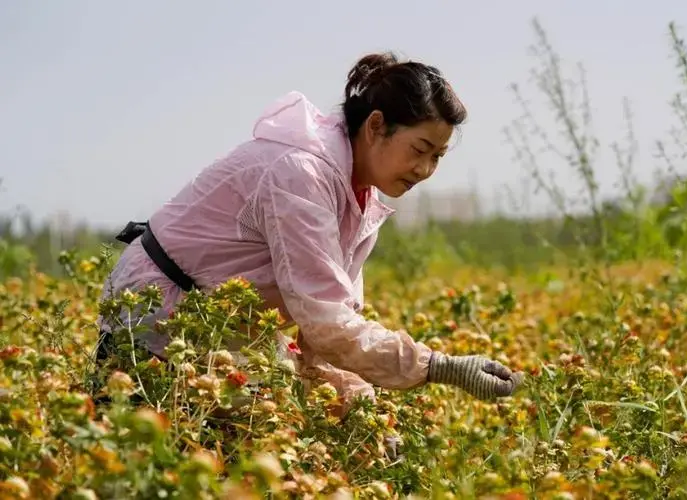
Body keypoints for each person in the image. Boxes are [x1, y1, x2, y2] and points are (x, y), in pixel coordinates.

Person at [93, 51, 524, 412]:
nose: (425, 170)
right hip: (157, 320)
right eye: (419, 150)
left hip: (226, 332)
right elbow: (325, 320)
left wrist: (361, 407)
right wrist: (438, 366)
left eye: (438, 157)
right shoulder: (300, 173)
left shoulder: (361, 201)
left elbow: (329, 330)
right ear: (375, 127)